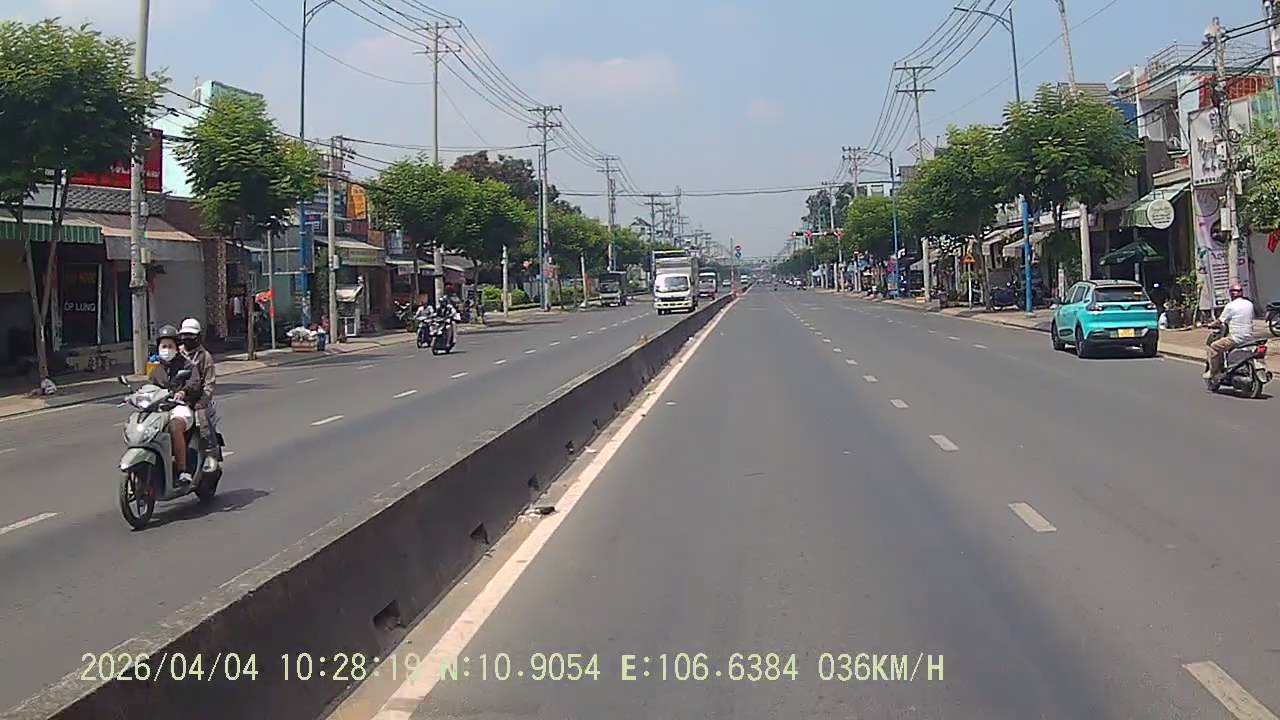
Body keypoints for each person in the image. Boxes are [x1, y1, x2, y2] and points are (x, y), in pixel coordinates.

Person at [148, 325, 203, 486]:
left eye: (170, 346)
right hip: (162, 409)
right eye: (163, 346)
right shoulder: (156, 370)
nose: (166, 349)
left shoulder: (187, 365)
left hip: (181, 407)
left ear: (176, 348)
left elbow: (194, 382)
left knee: (174, 426)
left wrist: (184, 392)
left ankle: (182, 470)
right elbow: (150, 388)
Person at [178, 318, 220, 471]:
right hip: (178, 397)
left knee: (201, 420)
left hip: (198, 399)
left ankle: (210, 454)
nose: (187, 339)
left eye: (191, 335)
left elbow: (209, 383)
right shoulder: (177, 353)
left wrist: (202, 401)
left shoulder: (205, 357)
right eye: (185, 335)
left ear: (198, 337)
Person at [1205, 283, 1256, 379]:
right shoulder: (1249, 304)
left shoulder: (1230, 306)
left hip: (1236, 338)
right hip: (1249, 338)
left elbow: (1219, 321)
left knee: (1214, 347)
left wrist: (1210, 325)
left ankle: (1214, 372)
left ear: (1231, 294)